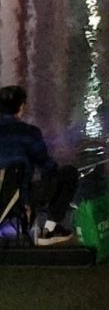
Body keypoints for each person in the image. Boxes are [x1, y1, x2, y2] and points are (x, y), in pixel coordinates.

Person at [0, 84, 80, 244]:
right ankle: (49, 230)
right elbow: (47, 166)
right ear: (22, 106)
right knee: (68, 174)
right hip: (17, 199)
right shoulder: (29, 133)